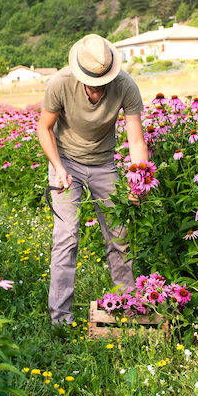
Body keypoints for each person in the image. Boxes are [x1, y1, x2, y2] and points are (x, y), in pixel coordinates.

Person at [37, 33, 148, 328]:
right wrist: (57, 167)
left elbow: (136, 140)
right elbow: (45, 129)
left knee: (119, 236)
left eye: (103, 79)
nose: (98, 85)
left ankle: (128, 307)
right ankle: (60, 320)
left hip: (104, 163)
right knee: (66, 238)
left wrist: (138, 180)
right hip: (66, 162)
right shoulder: (60, 83)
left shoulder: (126, 86)